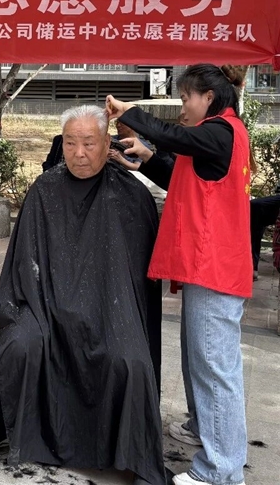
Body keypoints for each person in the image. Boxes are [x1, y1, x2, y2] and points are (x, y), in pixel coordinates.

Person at [0, 105, 166, 485]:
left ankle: (139, 456)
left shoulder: (131, 195)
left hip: (111, 311)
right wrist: (46, 308)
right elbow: (22, 265)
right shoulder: (45, 189)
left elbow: (139, 284)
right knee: (20, 343)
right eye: (71, 143)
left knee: (131, 360)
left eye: (89, 143)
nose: (79, 153)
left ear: (107, 144)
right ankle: (1, 423)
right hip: (44, 306)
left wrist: (105, 312)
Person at [107, 64, 251, 485]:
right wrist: (147, 159)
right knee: (200, 360)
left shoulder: (220, 132)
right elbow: (181, 178)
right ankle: (205, 429)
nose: (182, 107)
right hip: (211, 267)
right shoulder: (221, 137)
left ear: (209, 97)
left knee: (214, 368)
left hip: (215, 269)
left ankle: (220, 471)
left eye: (186, 98)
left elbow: (175, 136)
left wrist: (130, 112)